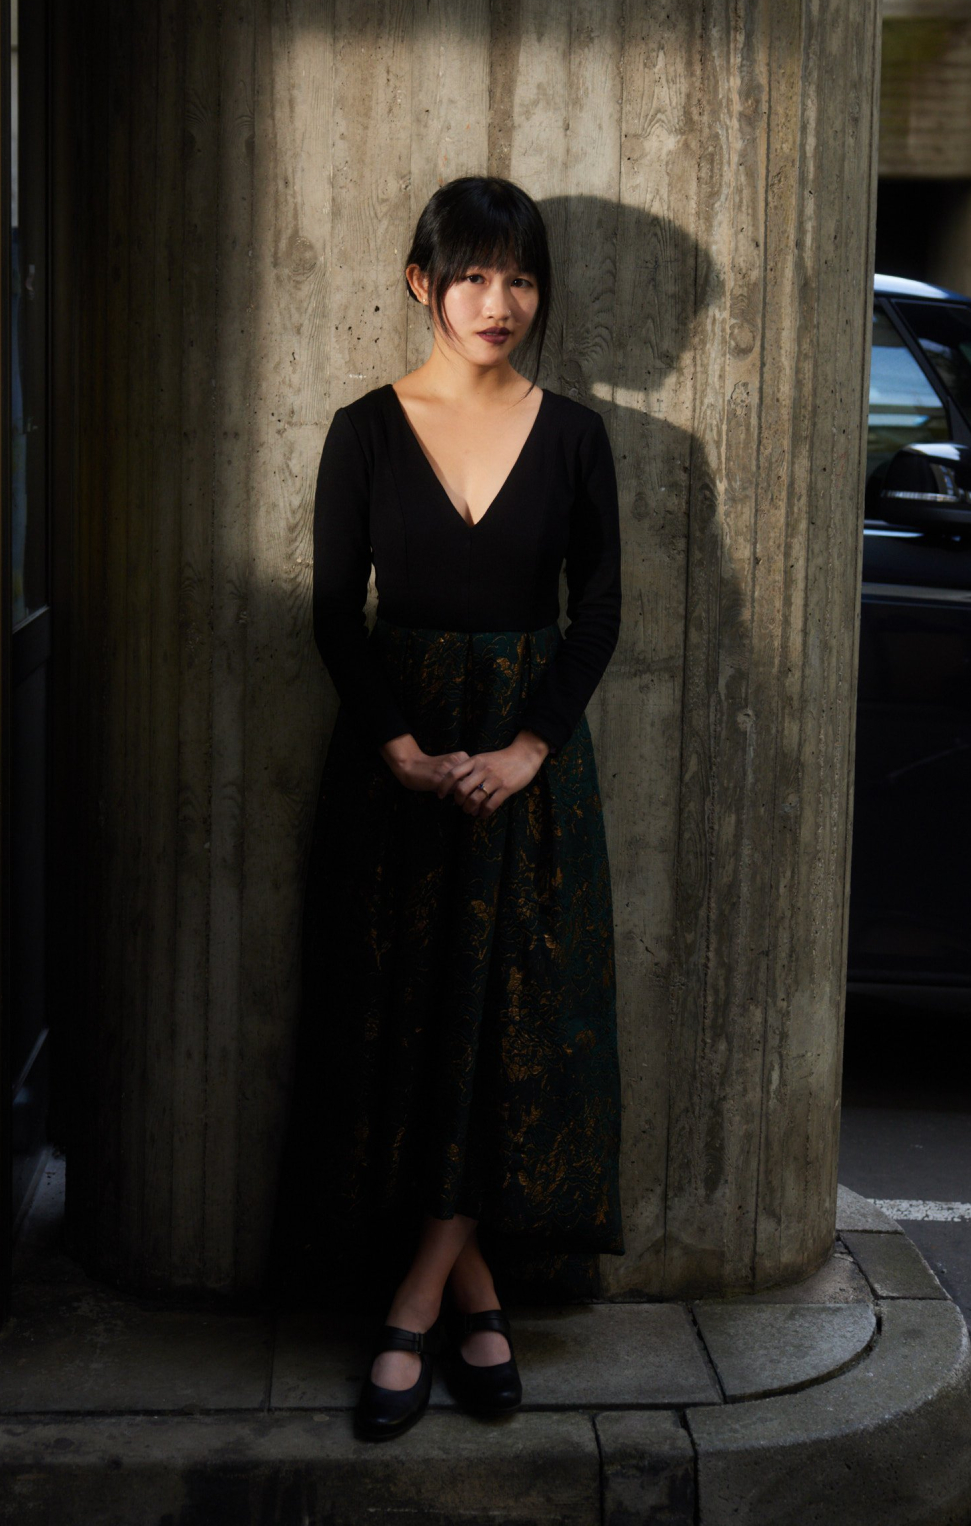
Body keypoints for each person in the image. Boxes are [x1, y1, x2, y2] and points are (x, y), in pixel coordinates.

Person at [272, 176, 624, 1442]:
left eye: (521, 276)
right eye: (472, 275)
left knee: (513, 1033)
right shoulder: (363, 430)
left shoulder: (578, 435)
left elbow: (600, 615)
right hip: (397, 776)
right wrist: (405, 750)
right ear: (421, 282)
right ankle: (475, 1291)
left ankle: (413, 1305)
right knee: (412, 1029)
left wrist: (528, 747)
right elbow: (330, 614)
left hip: (529, 784)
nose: (500, 302)